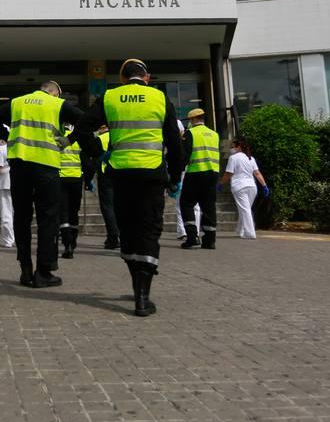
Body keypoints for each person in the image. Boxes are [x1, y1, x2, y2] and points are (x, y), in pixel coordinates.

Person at [78, 59, 183, 317]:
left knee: (128, 227)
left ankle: (137, 286)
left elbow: (81, 127)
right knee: (149, 229)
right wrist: (175, 176)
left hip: (121, 174)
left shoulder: (111, 97)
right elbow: (174, 141)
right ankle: (143, 297)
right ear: (146, 76)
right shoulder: (159, 98)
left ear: (123, 78)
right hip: (151, 174)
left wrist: (98, 153)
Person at [0, 80, 90, 289]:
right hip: (46, 166)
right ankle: (44, 271)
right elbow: (85, 120)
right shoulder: (56, 104)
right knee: (48, 218)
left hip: (20, 166)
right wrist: (69, 139)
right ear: (54, 92)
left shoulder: (17, 103)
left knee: (22, 217)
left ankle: (25, 269)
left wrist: (9, 137)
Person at [179, 108, 221, 249]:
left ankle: (192, 237)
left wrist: (177, 170)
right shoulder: (214, 134)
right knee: (208, 206)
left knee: (186, 203)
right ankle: (210, 240)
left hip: (196, 173)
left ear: (192, 120)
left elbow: (185, 155)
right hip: (213, 174)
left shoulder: (190, 133)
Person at [221, 136, 269, 239]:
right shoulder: (250, 158)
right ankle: (240, 231)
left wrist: (220, 183)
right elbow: (257, 173)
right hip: (252, 187)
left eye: (233, 146)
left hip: (239, 187)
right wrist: (264, 185)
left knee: (245, 210)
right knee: (245, 209)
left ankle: (250, 233)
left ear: (238, 147)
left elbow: (228, 173)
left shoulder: (233, 158)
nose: (231, 148)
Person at [57, 128, 84, 259]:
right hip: (77, 177)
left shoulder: (57, 136)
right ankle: (72, 242)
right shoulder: (77, 137)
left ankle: (67, 243)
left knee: (63, 213)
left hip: (61, 177)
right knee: (74, 212)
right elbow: (84, 156)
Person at [94, 124, 120, 249]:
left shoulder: (100, 139)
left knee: (107, 206)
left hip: (105, 174)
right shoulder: (118, 134)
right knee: (119, 205)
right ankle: (122, 235)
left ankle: (113, 237)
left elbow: (96, 158)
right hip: (120, 171)